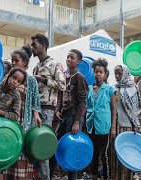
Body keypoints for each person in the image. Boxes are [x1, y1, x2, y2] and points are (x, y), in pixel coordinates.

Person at [0, 45, 42, 180]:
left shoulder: (31, 80)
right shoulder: (8, 76)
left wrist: (36, 116)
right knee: (8, 147)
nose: (13, 63)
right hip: (9, 119)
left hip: (25, 120)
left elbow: (36, 100)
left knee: (21, 149)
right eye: (12, 60)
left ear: (24, 62)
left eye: (16, 60)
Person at [31, 33, 66, 180]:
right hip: (34, 109)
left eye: (35, 45)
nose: (32, 47)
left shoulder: (54, 64)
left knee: (42, 146)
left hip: (47, 109)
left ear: (43, 46)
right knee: (32, 143)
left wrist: (44, 80)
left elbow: (62, 85)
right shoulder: (36, 67)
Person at [49, 49, 88, 180]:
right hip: (64, 116)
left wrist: (77, 122)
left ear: (78, 61)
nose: (69, 59)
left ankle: (73, 177)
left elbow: (82, 102)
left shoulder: (79, 78)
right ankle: (49, 175)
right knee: (56, 145)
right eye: (68, 57)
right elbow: (60, 94)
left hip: (74, 118)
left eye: (72, 57)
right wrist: (58, 110)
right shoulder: (64, 76)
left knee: (72, 148)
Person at [86, 58, 116, 180]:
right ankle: (93, 175)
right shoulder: (89, 89)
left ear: (105, 74)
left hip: (104, 126)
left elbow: (114, 109)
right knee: (93, 152)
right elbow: (87, 106)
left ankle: (105, 176)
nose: (98, 74)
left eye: (101, 72)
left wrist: (113, 127)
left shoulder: (110, 90)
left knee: (103, 153)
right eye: (96, 72)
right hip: (91, 125)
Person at [111, 64, 141, 179]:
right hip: (116, 125)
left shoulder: (132, 88)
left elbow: (135, 109)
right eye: (116, 74)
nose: (117, 76)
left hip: (128, 126)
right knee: (115, 153)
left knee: (127, 153)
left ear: (125, 73)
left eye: (119, 73)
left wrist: (135, 125)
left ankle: (126, 177)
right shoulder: (114, 88)